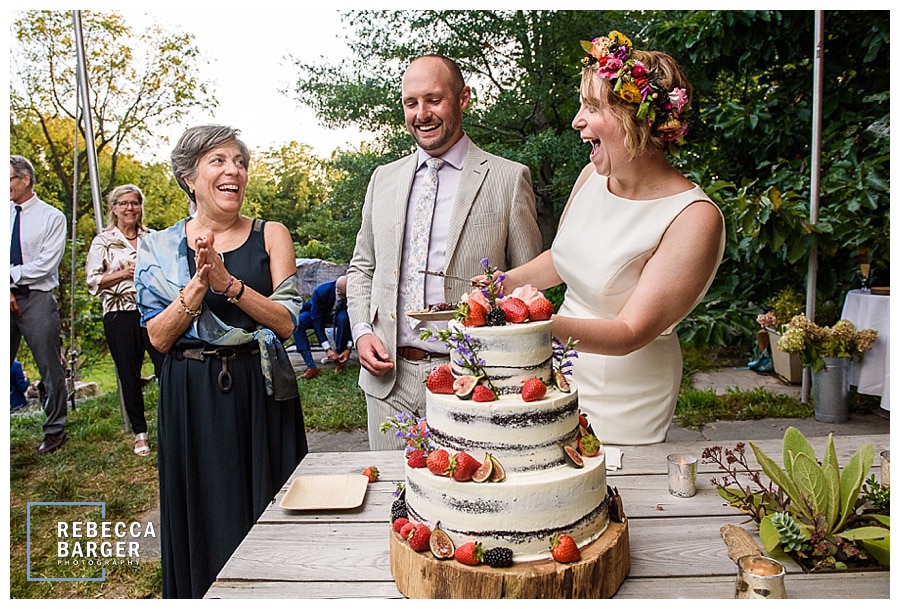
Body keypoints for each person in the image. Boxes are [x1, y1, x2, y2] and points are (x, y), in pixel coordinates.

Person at [499, 31, 725, 445]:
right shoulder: (592, 176)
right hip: (558, 368)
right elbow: (563, 257)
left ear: (634, 117)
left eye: (592, 107)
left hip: (624, 396)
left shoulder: (694, 218)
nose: (576, 121)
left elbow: (629, 333)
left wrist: (526, 322)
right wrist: (505, 283)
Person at [134, 125, 308, 598]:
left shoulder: (271, 234)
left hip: (259, 389)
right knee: (203, 507)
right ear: (189, 177)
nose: (234, 170)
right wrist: (198, 283)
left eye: (240, 162)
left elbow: (288, 321)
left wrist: (230, 284)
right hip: (190, 393)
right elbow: (158, 337)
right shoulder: (155, 249)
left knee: (270, 506)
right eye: (218, 160)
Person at [347, 55, 542, 450]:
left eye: (434, 100)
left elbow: (530, 288)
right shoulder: (383, 179)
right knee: (393, 502)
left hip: (477, 380)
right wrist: (362, 332)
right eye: (411, 103)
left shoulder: (507, 178)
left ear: (463, 98)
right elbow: (362, 268)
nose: (422, 114)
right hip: (389, 384)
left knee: (473, 503)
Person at [85, 184, 165, 456]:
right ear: (114, 208)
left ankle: (171, 425)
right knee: (129, 375)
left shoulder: (153, 238)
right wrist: (122, 275)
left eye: (134, 203)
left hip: (153, 311)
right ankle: (140, 433)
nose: (129, 208)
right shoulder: (103, 241)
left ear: (141, 207)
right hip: (119, 313)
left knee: (166, 367)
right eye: (123, 203)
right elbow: (93, 281)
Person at [10, 155, 69, 453]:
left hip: (36, 297)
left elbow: (46, 264)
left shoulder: (52, 217)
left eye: (8, 179)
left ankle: (55, 428)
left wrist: (9, 276)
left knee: (49, 366)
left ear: (25, 179)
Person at [293, 275, 352, 378]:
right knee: (299, 322)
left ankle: (338, 359)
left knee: (344, 319)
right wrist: (327, 348)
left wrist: (349, 348)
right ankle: (311, 366)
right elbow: (316, 320)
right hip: (318, 313)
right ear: (338, 292)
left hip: (338, 315)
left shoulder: (351, 292)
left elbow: (354, 319)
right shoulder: (321, 291)